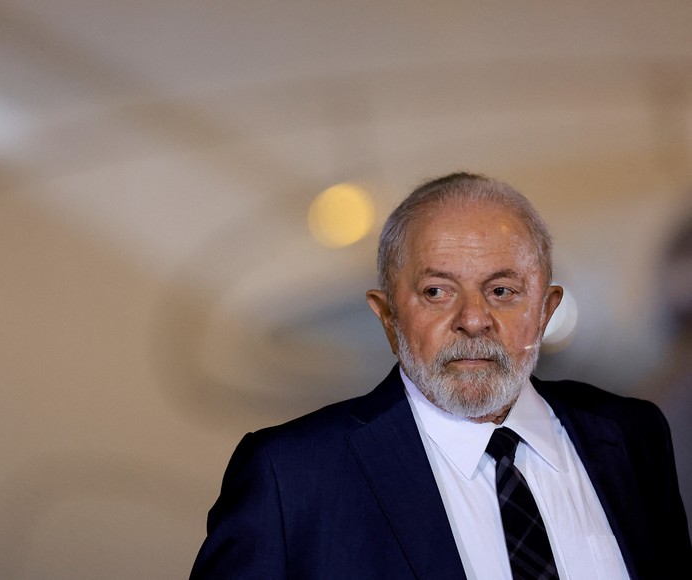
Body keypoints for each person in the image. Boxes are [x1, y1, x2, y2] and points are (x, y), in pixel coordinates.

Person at [189, 172, 691, 579]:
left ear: (545, 308)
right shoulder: (292, 476)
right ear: (387, 316)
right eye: (436, 292)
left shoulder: (631, 436)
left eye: (502, 291)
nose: (473, 319)